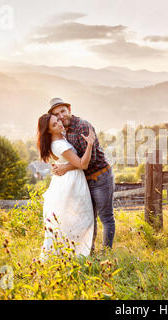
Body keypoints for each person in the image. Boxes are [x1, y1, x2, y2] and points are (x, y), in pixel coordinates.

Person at [47, 98, 115, 252]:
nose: (61, 116)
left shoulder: (82, 126)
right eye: (57, 115)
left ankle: (106, 253)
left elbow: (90, 160)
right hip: (85, 180)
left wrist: (66, 167)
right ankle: (89, 252)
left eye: (63, 111)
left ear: (69, 109)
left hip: (100, 177)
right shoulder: (65, 130)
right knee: (89, 219)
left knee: (106, 218)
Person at [37, 113, 95, 260]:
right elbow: (83, 164)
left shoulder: (61, 138)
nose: (59, 124)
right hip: (72, 183)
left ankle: (72, 254)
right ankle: (77, 255)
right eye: (55, 125)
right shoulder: (60, 144)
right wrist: (89, 144)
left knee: (71, 219)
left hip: (68, 180)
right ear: (49, 131)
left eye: (57, 120)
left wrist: (65, 166)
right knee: (81, 219)